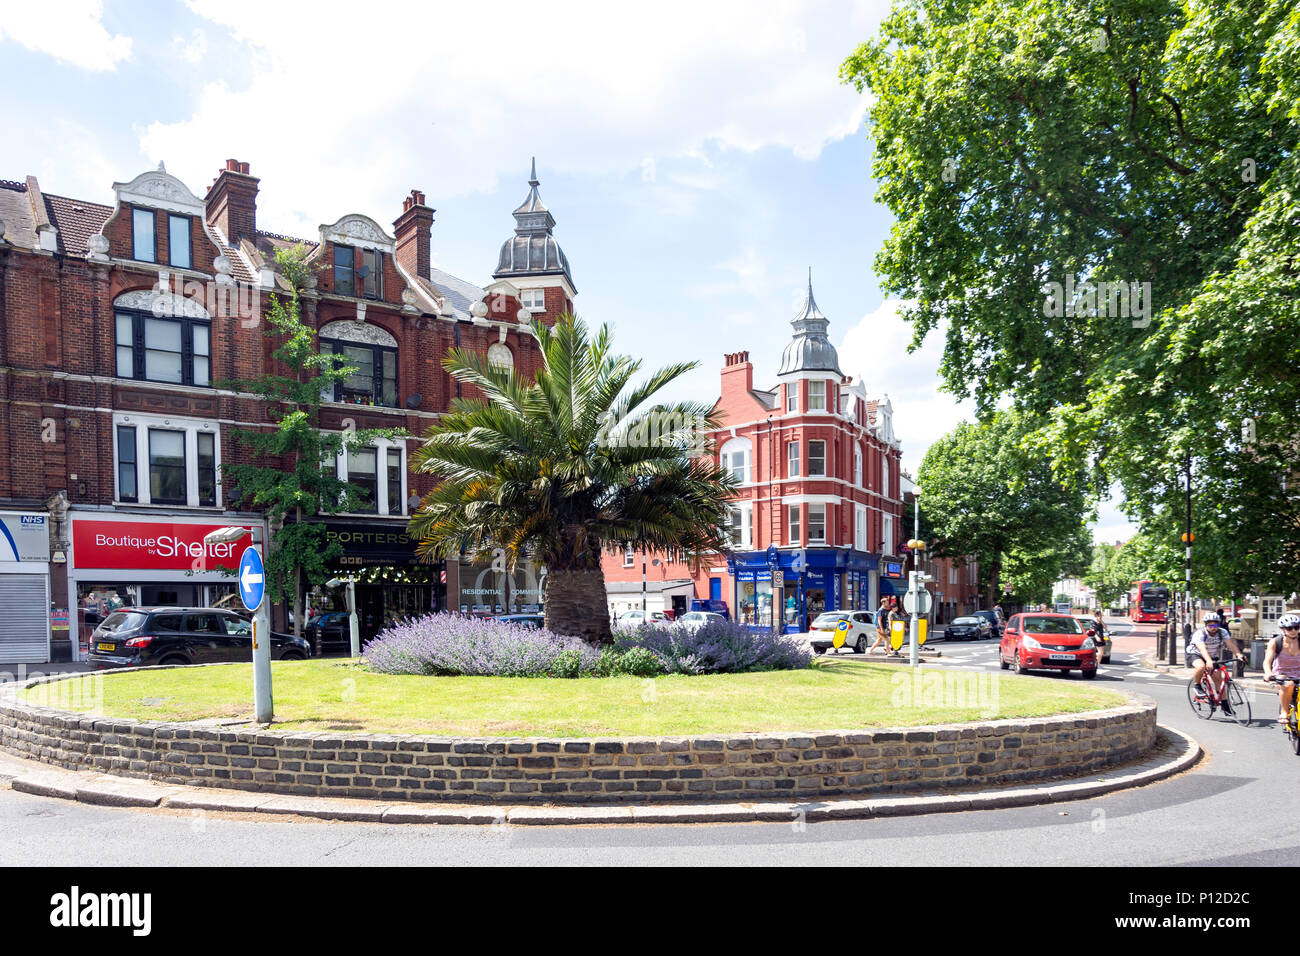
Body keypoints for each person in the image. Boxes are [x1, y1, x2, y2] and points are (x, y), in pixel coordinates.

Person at [1186, 611, 1245, 714]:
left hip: (1212, 656)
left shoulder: (1222, 632)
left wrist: (1239, 655)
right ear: (1206, 625)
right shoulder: (1200, 633)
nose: (1213, 627)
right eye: (1210, 625)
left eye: (1215, 624)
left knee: (1219, 679)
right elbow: (1202, 649)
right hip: (1196, 653)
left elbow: (1230, 644)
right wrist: (1209, 661)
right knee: (1201, 667)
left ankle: (1225, 705)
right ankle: (1197, 686)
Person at [1263, 614, 1300, 724]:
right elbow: (1267, 661)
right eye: (1289, 628)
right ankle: (1284, 712)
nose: (1293, 631)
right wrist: (1268, 673)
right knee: (1288, 684)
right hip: (1282, 673)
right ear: (1282, 629)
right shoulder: (1275, 642)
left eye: (1296, 627)